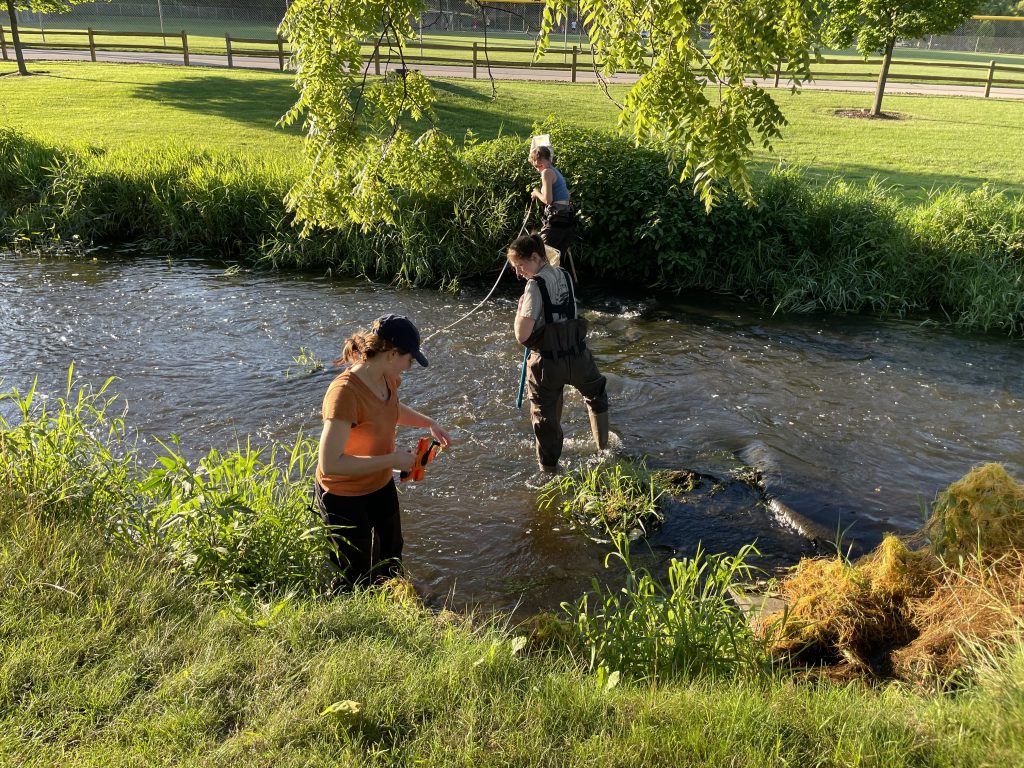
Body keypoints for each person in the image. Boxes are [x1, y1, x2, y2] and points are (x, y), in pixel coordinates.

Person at [314, 314, 450, 588]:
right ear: (391, 354)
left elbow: (390, 410)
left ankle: (392, 609)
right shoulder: (344, 394)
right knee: (356, 575)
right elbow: (330, 464)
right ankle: (351, 624)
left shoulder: (388, 378)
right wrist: (393, 460)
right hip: (343, 495)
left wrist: (429, 422)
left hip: (379, 484)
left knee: (391, 557)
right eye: (409, 359)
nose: (409, 367)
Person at [507, 233, 609, 472]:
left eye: (520, 266)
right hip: (578, 356)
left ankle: (549, 471)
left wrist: (519, 310)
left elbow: (522, 336)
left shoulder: (534, 286)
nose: (518, 272)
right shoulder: (563, 274)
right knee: (596, 394)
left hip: (548, 364)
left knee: (545, 418)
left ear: (534, 257)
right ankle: (603, 450)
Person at [529, 144, 576, 259]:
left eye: (538, 163)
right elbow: (566, 194)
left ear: (547, 160)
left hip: (557, 218)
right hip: (567, 217)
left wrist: (536, 193)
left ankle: (544, 276)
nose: (537, 167)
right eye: (535, 165)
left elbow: (548, 200)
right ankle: (556, 276)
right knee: (556, 256)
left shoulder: (546, 173)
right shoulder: (554, 170)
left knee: (543, 253)